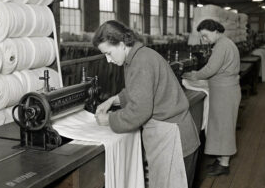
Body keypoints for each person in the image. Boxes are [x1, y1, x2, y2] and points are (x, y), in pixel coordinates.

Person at [92, 20, 200, 188]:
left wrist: (109, 120)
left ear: (121, 44)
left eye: (109, 53)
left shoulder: (140, 62)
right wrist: (113, 99)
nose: (108, 60)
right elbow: (142, 89)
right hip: (174, 134)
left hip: (174, 140)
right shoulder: (139, 56)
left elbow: (139, 111)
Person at [182, 19, 241, 176]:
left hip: (225, 92)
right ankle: (221, 159)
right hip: (224, 90)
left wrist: (193, 75)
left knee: (225, 127)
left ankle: (225, 164)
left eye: (206, 36)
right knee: (220, 126)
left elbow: (209, 70)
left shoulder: (222, 45)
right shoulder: (224, 43)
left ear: (215, 31)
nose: (205, 40)